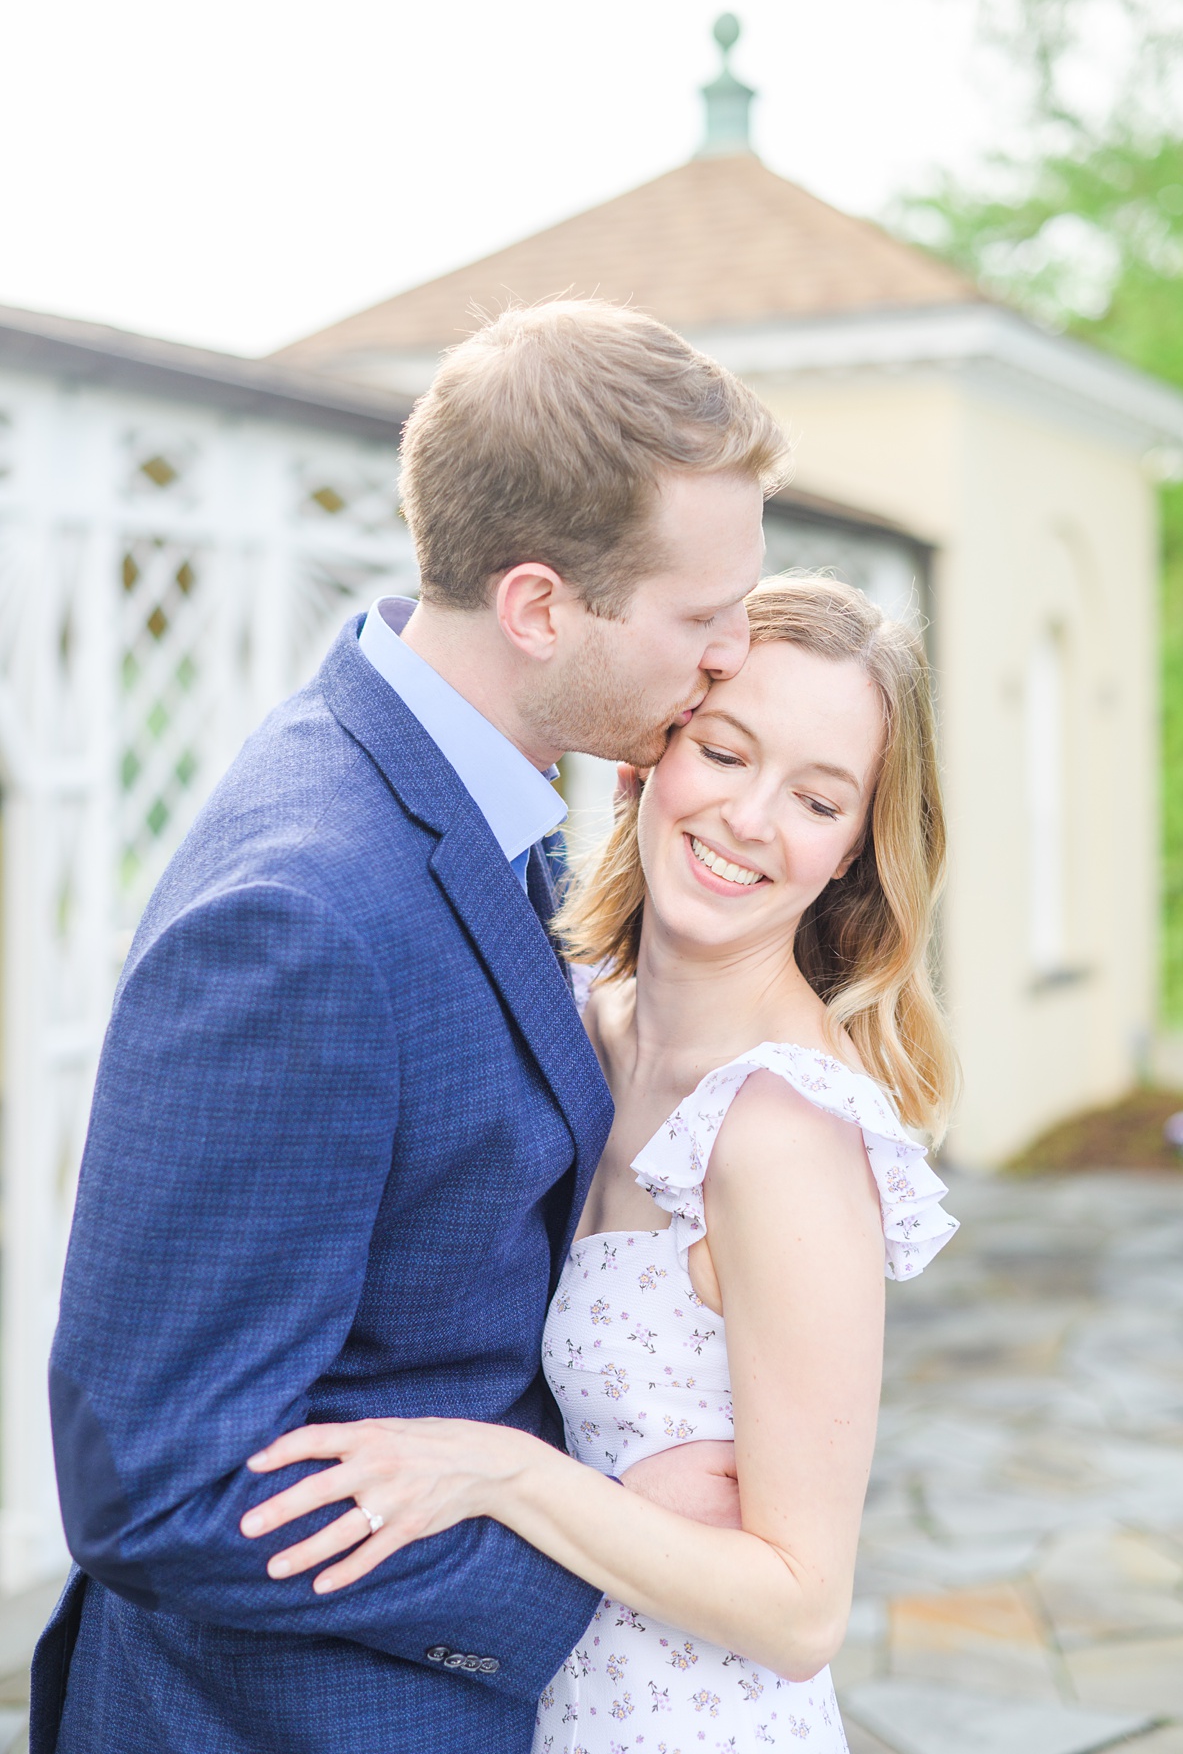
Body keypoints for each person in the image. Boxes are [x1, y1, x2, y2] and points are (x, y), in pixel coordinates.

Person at [34, 301, 790, 1754]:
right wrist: (579, 1586)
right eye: (701, 618)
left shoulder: (485, 792)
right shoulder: (305, 918)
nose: (732, 655)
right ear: (538, 606)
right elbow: (159, 1482)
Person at [238, 571, 958, 1750]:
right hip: (533, 1700)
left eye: (818, 800)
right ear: (649, 755)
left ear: (854, 856)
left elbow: (799, 1607)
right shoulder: (573, 1017)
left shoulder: (780, 1132)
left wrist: (503, 1473)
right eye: (725, 752)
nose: (748, 819)